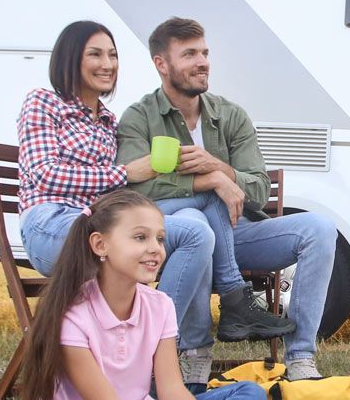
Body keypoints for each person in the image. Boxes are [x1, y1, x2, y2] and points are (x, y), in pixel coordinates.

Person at [117, 17, 337, 383]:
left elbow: (258, 189)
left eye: (204, 52)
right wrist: (210, 181)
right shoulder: (139, 118)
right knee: (194, 220)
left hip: (239, 235)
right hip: (176, 238)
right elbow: (135, 191)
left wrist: (222, 170)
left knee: (320, 228)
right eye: (189, 54)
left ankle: (300, 358)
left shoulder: (230, 116)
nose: (203, 61)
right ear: (161, 64)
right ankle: (195, 351)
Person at [18, 188, 267, 400]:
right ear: (100, 245)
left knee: (252, 394)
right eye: (140, 238)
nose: (155, 250)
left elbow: (172, 391)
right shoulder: (73, 314)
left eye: (160, 239)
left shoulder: (160, 305)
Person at [16, 21, 211, 353]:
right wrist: (124, 173)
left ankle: (174, 346)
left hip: (100, 223)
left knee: (196, 222)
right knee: (186, 230)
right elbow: (44, 173)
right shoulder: (44, 103)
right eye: (95, 54)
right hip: (51, 224)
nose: (107, 64)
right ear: (70, 59)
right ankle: (151, 351)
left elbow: (119, 191)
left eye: (113, 55)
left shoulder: (109, 121)